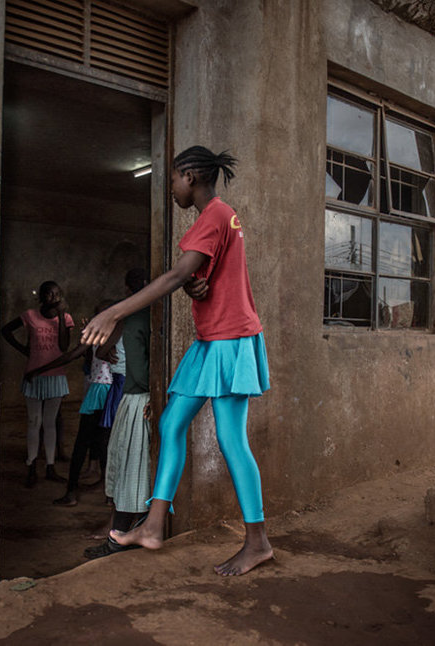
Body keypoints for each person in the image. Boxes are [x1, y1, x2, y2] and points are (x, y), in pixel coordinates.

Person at [81, 146, 273, 576]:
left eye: (172, 180)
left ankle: (258, 542)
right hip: (211, 339)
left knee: (231, 440)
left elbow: (174, 275)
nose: (170, 189)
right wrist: (195, 287)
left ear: (189, 176)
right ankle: (152, 525)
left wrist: (115, 311)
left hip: (229, 339)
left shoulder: (214, 216)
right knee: (169, 424)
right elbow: (197, 277)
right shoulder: (220, 217)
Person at [84, 268, 152, 559]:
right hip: (140, 397)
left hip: (136, 397)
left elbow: (138, 372)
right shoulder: (147, 316)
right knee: (133, 470)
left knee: (129, 471)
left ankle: (118, 539)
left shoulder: (133, 318)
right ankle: (122, 534)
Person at [1, 281, 73, 487]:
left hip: (56, 376)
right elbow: (6, 330)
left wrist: (60, 316)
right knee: (34, 422)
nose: (54, 297)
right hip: (33, 375)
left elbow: (64, 346)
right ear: (41, 297)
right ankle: (31, 465)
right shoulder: (30, 315)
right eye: (49, 294)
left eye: (57, 294)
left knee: (49, 423)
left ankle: (50, 467)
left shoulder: (66, 318)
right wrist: (24, 350)